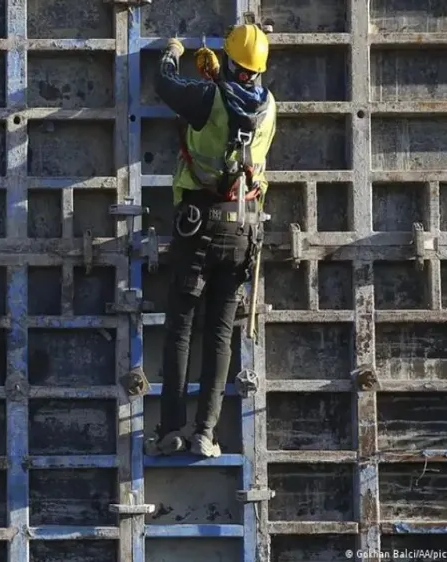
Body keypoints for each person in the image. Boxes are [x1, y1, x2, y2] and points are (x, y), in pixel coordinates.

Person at [148, 25, 276, 458]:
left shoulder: (208, 98)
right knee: (220, 335)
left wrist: (174, 50)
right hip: (244, 228)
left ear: (230, 58)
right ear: (259, 68)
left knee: (180, 326)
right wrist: (219, 77)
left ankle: (170, 430)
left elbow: (166, 84)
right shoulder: (270, 106)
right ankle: (206, 433)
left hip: (197, 225)